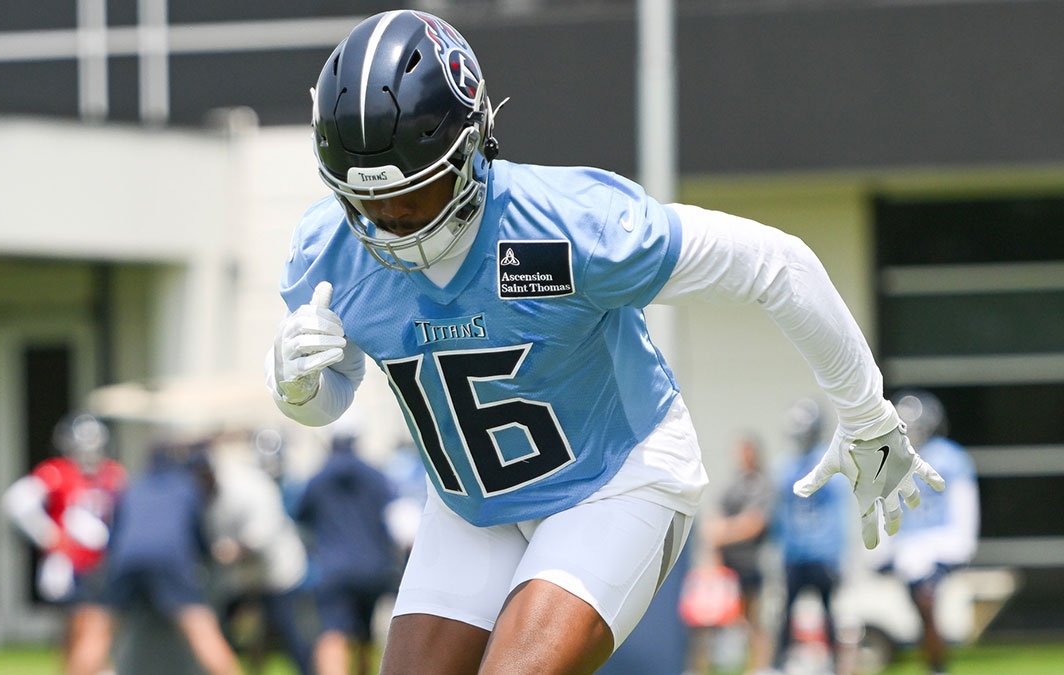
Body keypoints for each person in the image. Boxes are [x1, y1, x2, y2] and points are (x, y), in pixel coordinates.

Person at [264, 10, 944, 673]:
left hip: (613, 480)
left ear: (472, 147)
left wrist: (866, 412)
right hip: (472, 504)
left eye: (414, 194)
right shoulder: (327, 248)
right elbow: (332, 393)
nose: (393, 223)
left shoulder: (573, 227)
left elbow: (778, 263)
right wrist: (296, 387)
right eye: (369, 203)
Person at [94, 439, 242, 675]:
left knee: (100, 631)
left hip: (125, 558)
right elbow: (199, 538)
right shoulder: (186, 487)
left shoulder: (133, 487)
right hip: (170, 559)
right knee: (202, 631)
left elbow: (114, 533)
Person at [2, 413, 127, 675]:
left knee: (86, 633)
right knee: (83, 631)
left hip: (102, 564)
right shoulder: (57, 472)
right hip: (71, 567)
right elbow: (16, 502)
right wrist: (48, 535)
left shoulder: (113, 475)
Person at [295, 419, 399, 675]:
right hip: (375, 567)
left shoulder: (317, 479)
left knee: (333, 634)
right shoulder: (376, 475)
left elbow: (299, 517)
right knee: (365, 638)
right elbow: (396, 516)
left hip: (334, 569)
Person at [887, 390, 979, 675]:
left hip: (940, 544)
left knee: (926, 603)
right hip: (910, 548)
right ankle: (934, 663)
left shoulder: (950, 457)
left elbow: (964, 504)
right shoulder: (894, 458)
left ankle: (937, 666)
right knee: (919, 612)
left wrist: (961, 544)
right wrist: (886, 550)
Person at [205, 433, 312, 674]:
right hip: (242, 577)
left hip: (279, 573)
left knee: (293, 639)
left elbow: (261, 537)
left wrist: (230, 552)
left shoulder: (252, 487)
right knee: (222, 632)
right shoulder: (211, 492)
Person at [772, 399, 852, 673]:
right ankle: (779, 663)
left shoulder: (830, 462)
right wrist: (780, 549)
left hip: (822, 551)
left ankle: (834, 664)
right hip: (795, 552)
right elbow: (781, 514)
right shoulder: (784, 465)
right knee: (785, 612)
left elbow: (838, 514)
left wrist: (839, 555)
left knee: (829, 612)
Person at [689, 433, 774, 674]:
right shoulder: (733, 485)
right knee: (708, 620)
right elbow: (713, 519)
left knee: (753, 619)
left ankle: (758, 668)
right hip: (724, 566)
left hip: (748, 563)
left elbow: (755, 522)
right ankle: (701, 669)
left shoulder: (762, 484)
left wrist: (723, 532)